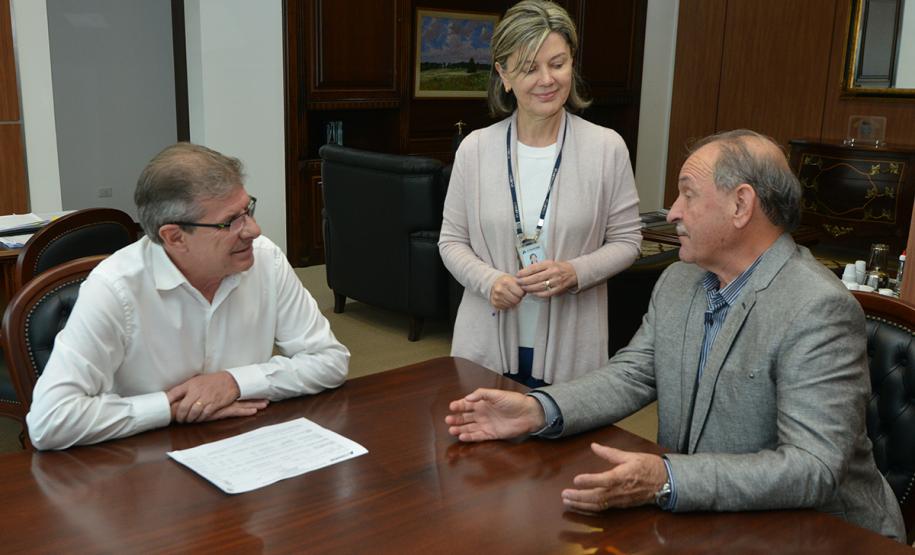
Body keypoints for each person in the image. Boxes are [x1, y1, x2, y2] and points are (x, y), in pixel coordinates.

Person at [444, 130, 906, 542]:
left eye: (688, 195)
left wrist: (667, 478)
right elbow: (631, 375)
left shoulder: (816, 308)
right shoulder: (679, 281)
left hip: (826, 534)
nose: (673, 211)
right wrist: (537, 408)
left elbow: (813, 468)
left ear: (741, 205)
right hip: (708, 519)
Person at [27, 143, 350, 450]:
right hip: (142, 466)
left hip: (247, 446)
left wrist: (234, 382)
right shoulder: (115, 288)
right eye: (230, 222)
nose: (254, 230)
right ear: (175, 237)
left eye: (247, 209)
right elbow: (50, 420)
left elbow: (330, 361)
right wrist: (169, 407)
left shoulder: (266, 260)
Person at [439, 0, 641, 386]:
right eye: (529, 68)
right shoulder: (476, 149)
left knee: (561, 443)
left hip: (573, 348)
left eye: (558, 63)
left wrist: (575, 271)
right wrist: (488, 281)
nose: (547, 79)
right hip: (485, 344)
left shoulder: (607, 148)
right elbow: (451, 242)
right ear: (504, 75)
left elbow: (628, 241)